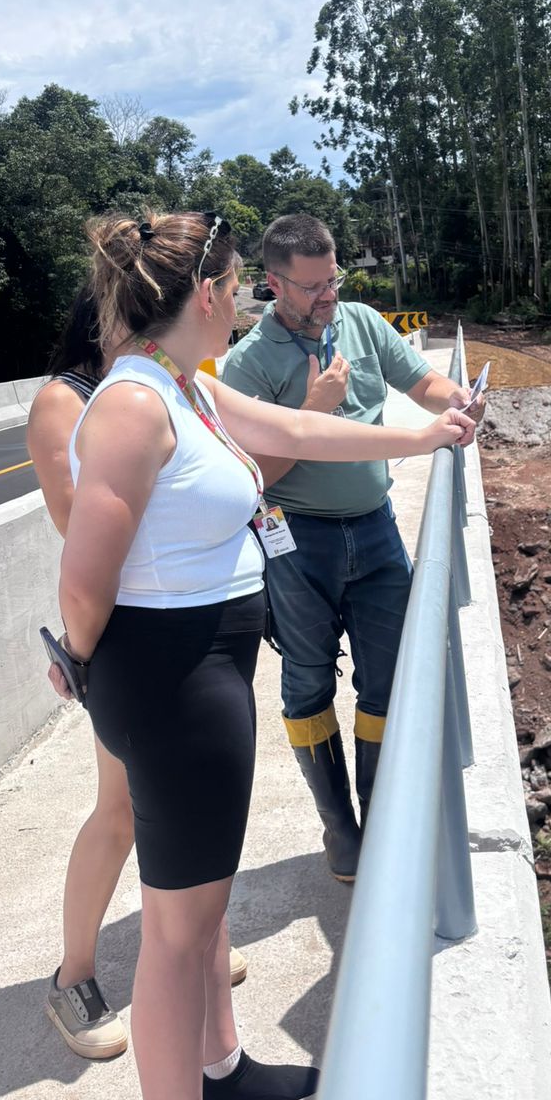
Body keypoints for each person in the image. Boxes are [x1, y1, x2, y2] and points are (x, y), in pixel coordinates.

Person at [57, 209, 473, 1100]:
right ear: (207, 295)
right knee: (174, 940)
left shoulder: (184, 387)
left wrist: (427, 437)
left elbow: (298, 430)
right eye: (239, 287)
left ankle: (222, 1073)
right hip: (171, 682)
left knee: (203, 916)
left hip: (204, 672)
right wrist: (81, 663)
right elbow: (83, 580)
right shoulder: (133, 405)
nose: (245, 305)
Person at [221, 214, 481, 882]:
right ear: (273, 283)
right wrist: (309, 412)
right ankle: (340, 828)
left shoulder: (362, 322)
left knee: (389, 677)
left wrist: (456, 400)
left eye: (332, 280)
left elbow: (420, 382)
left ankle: (381, 820)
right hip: (297, 544)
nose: (327, 295)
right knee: (307, 682)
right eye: (311, 287)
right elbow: (250, 478)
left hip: (375, 528)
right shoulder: (248, 365)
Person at [26, 289, 249, 1063]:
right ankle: (74, 975)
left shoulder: (171, 383)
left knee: (184, 811)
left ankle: (203, 947)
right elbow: (80, 526)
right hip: (127, 637)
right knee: (121, 809)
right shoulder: (70, 401)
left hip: (178, 630)